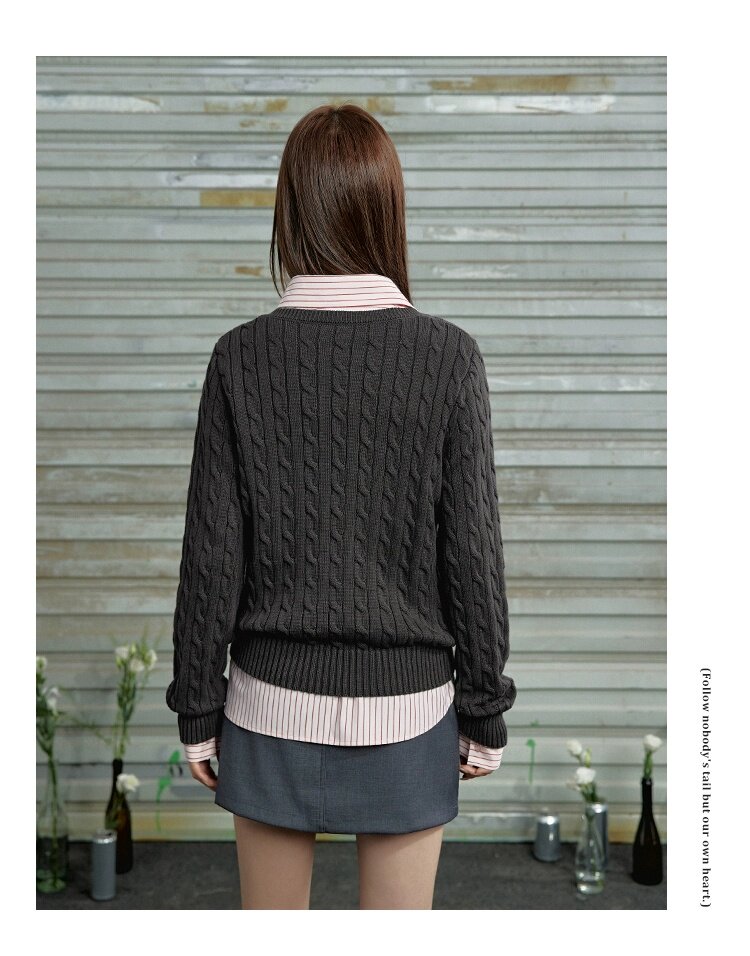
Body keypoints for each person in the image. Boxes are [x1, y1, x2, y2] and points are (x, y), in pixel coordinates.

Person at [166, 103, 517, 910]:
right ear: (387, 210)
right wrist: (484, 709)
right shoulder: (448, 356)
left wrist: (197, 707)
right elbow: (472, 551)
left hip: (269, 706)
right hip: (410, 711)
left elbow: (212, 553)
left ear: (290, 212)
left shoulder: (241, 357)